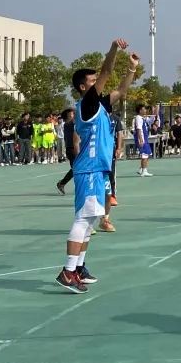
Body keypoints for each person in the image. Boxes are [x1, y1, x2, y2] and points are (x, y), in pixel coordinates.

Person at [55, 40, 136, 293]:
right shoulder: (88, 104)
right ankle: (68, 271)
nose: (97, 83)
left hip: (98, 170)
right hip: (88, 169)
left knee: (90, 221)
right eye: (92, 81)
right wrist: (114, 49)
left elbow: (121, 90)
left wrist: (132, 69)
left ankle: (79, 267)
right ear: (83, 87)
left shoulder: (100, 105)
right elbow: (107, 72)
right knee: (83, 219)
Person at [56, 108, 76, 195]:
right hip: (71, 149)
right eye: (72, 114)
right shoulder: (68, 124)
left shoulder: (72, 123)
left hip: (75, 148)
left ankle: (62, 183)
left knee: (77, 169)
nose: (74, 115)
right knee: (76, 169)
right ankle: (62, 183)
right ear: (67, 116)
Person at [133, 105, 154, 177]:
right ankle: (144, 171)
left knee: (147, 154)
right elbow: (138, 129)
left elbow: (151, 121)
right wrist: (141, 140)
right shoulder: (138, 118)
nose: (145, 110)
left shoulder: (143, 118)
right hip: (142, 139)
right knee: (144, 155)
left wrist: (154, 112)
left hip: (145, 138)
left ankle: (142, 169)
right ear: (140, 111)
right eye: (144, 109)